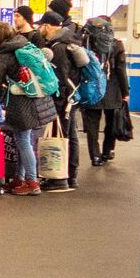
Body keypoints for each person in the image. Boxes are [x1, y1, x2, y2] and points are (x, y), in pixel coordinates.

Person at [0, 20, 57, 196]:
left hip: (22, 103)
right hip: (35, 100)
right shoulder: (23, 44)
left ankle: (32, 182)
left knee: (24, 141)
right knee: (20, 139)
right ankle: (19, 178)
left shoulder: (3, 55)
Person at [36, 12, 84, 188]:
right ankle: (70, 175)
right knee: (70, 135)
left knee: (61, 135)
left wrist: (55, 98)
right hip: (71, 97)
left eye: (41, 26)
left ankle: (59, 178)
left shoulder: (58, 48)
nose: (40, 29)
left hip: (63, 98)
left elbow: (59, 76)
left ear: (48, 26)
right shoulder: (70, 41)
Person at [80, 16, 130, 166]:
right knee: (111, 122)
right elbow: (121, 69)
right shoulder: (116, 44)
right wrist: (125, 92)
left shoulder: (86, 43)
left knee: (92, 125)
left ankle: (95, 156)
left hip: (92, 89)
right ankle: (107, 151)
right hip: (112, 89)